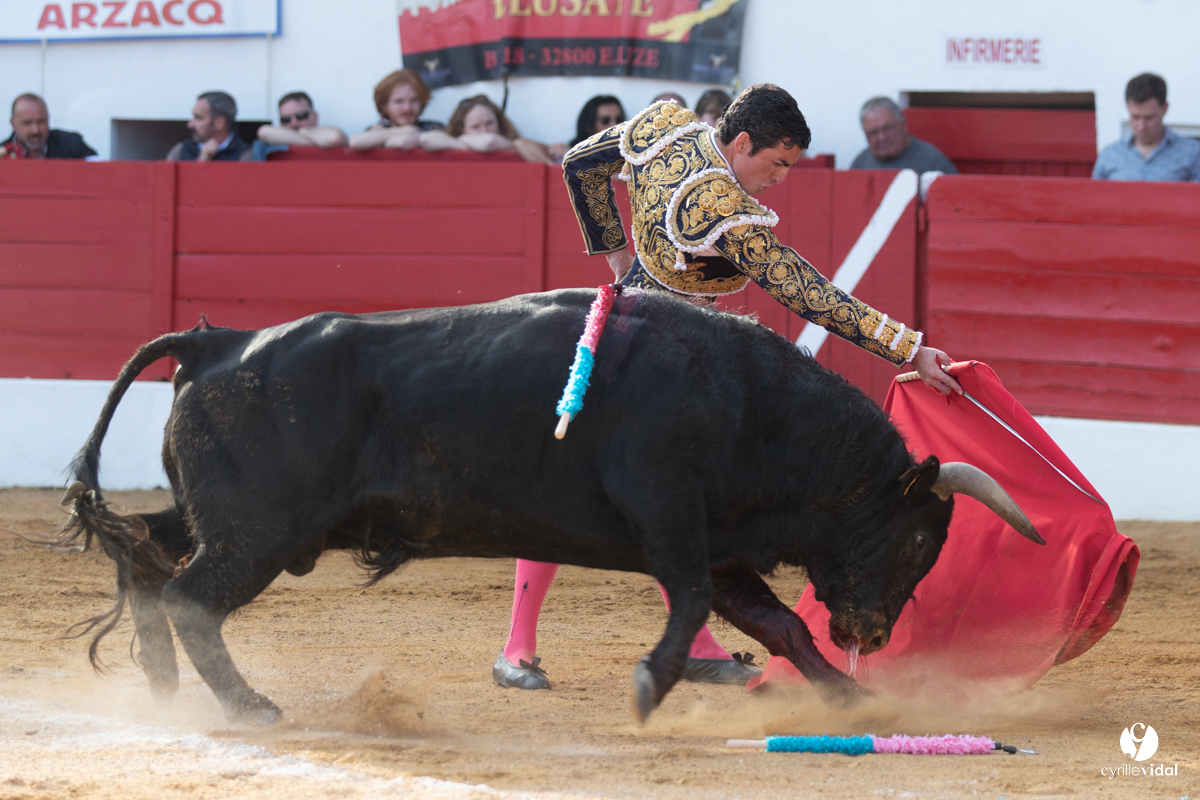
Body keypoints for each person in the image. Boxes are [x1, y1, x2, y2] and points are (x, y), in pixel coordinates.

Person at [494, 84, 962, 693]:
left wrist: (613, 250)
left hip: (636, 331)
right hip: (664, 364)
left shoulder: (665, 128)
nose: (780, 180)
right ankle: (517, 649)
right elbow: (805, 292)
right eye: (777, 164)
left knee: (682, 498)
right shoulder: (718, 208)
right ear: (742, 143)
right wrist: (908, 348)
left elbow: (580, 164)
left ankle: (693, 642)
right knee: (571, 493)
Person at [1093, 73, 1200, 182]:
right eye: (1135, 117)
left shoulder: (1192, 153)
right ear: (1127, 108)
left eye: (1149, 118)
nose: (1141, 127)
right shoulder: (1110, 155)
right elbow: (1093, 197)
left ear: (1164, 108)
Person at [421, 94, 553, 163]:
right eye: (475, 127)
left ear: (499, 124)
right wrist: (463, 142)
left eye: (489, 123)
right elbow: (426, 139)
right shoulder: (460, 141)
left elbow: (489, 141)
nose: (484, 131)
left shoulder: (516, 144)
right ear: (462, 129)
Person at [850, 97, 957, 174]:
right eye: (873, 133)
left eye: (888, 128)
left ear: (903, 123)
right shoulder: (860, 164)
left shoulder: (934, 163)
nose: (882, 137)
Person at [348, 69, 446, 151]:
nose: (407, 108)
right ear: (384, 106)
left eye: (414, 100)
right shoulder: (377, 129)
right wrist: (403, 131)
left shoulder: (433, 127)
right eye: (399, 101)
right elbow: (355, 142)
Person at [3, 93, 96, 159]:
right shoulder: (3, 153)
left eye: (41, 121)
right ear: (13, 124)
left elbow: (98, 170)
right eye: (27, 123)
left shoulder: (72, 144)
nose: (35, 130)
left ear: (48, 119)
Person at [166, 91, 251, 162]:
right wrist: (201, 161)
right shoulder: (180, 151)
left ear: (219, 123)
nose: (190, 124)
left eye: (198, 118)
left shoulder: (245, 155)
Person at [255, 91, 348, 153]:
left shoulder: (327, 131)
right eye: (286, 119)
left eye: (301, 116)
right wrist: (316, 140)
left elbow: (335, 138)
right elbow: (264, 132)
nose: (294, 123)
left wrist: (303, 133)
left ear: (315, 117)